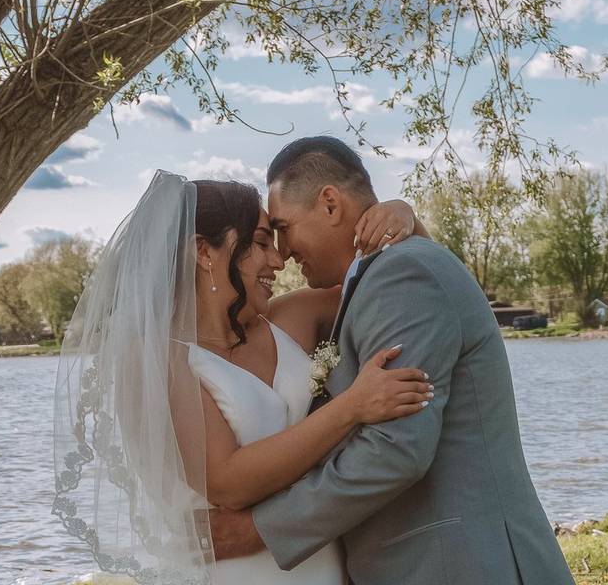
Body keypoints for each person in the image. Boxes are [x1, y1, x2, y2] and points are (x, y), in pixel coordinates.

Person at [208, 136, 576, 585]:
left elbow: (395, 449)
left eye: (283, 229)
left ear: (329, 204)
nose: (282, 253)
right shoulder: (373, 280)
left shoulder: (403, 274)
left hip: (460, 564)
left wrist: (256, 532)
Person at [53, 170, 431, 584]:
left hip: (322, 564)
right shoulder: (158, 358)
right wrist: (352, 407)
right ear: (204, 251)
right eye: (261, 243)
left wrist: (406, 218)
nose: (279, 259)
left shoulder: (291, 319)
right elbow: (227, 481)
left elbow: (397, 282)